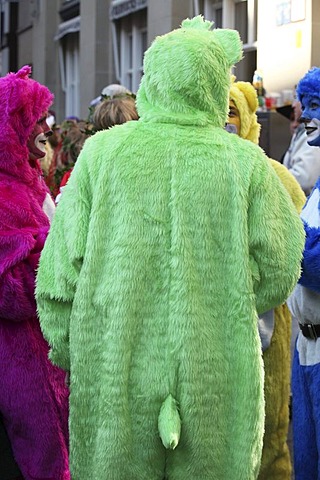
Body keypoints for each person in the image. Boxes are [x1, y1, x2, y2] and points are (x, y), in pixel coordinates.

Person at [36, 17, 304, 480]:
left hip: (114, 364)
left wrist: (73, 349)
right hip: (215, 369)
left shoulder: (102, 155)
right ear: (216, 86)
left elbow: (59, 274)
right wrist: (229, 297)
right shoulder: (246, 164)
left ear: (152, 79)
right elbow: (282, 264)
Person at [228, 78, 306, 480]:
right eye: (219, 111)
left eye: (233, 112)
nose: (226, 122)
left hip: (270, 322)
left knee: (272, 423)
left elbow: (297, 240)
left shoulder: (274, 174)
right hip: (219, 322)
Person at [0, 65, 69, 480]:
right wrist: (63, 261)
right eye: (38, 134)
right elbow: (8, 292)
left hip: (50, 354)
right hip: (21, 362)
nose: (45, 148)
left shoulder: (31, 185)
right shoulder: (5, 195)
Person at [287, 66, 320, 480]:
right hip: (305, 348)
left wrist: (294, 242)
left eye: (316, 107)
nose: (306, 117)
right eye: (306, 105)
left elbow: (312, 263)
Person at [282, 94, 320, 195]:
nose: (293, 105)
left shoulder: (314, 132)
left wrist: (270, 179)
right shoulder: (301, 132)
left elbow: (305, 179)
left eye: (296, 99)